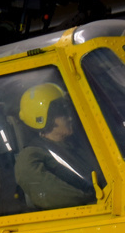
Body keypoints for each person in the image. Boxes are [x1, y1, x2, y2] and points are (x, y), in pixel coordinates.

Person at [14, 83, 101, 211]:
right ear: (44, 119)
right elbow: (53, 197)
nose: (70, 117)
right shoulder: (31, 156)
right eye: (62, 114)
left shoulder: (75, 144)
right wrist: (95, 197)